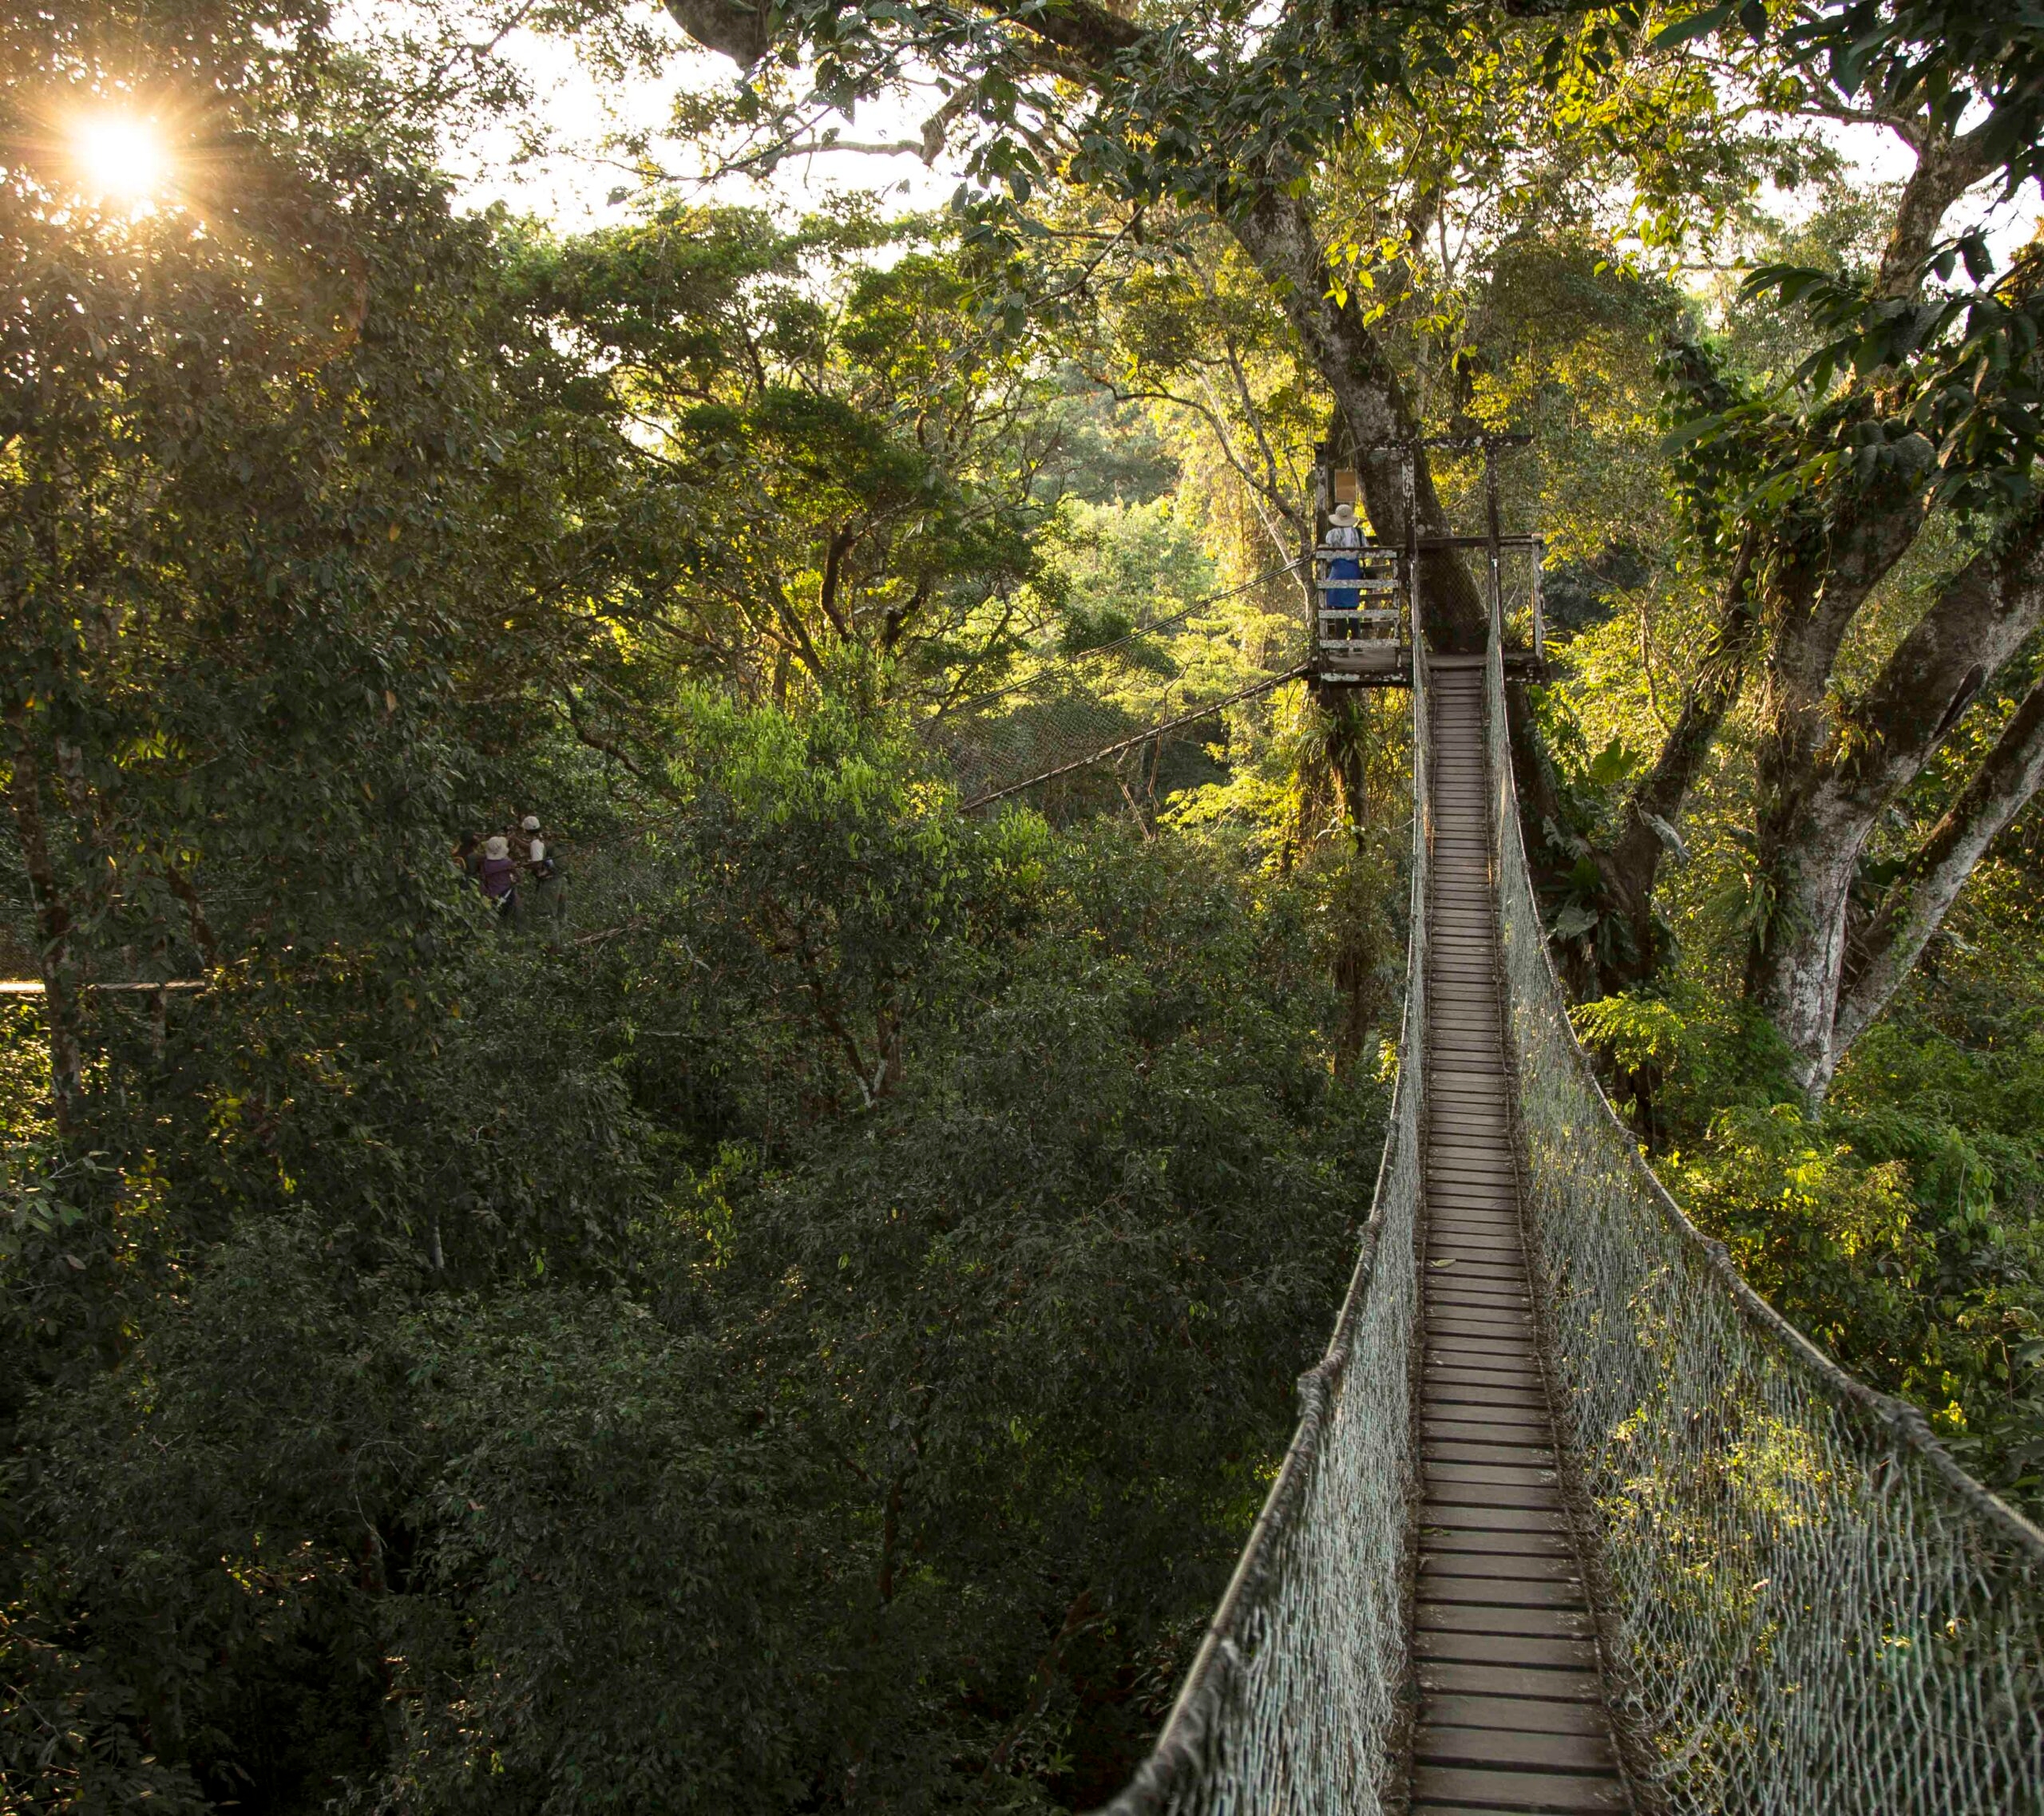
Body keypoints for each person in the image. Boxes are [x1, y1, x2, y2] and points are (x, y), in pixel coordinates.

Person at [522, 813, 567, 940]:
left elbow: (537, 865)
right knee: (561, 914)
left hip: (550, 884)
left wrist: (523, 866)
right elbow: (532, 850)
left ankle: (554, 947)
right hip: (561, 879)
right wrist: (515, 840)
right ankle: (566, 943)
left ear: (526, 830)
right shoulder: (543, 839)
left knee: (549, 915)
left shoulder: (536, 843)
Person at [1324, 500, 1364, 634]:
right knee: (1353, 606)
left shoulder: (1332, 534)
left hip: (1338, 570)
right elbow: (1366, 551)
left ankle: (1342, 645)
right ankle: (1356, 641)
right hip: (1354, 571)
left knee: (1339, 607)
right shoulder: (1358, 533)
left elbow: (1328, 557)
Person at [477, 833, 518, 923]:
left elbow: (482, 876)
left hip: (491, 893)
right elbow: (517, 876)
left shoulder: (486, 863)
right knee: (505, 917)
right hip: (505, 893)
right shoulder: (507, 863)